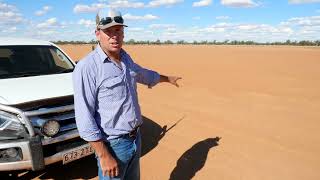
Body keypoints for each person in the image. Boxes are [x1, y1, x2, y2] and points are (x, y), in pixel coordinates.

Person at [72, 9, 181, 180]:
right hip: (113, 146)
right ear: (97, 33)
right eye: (108, 31)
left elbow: (143, 74)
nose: (114, 36)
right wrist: (103, 155)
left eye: (118, 31)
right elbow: (84, 117)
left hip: (135, 139)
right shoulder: (87, 67)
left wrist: (167, 78)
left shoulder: (125, 58)